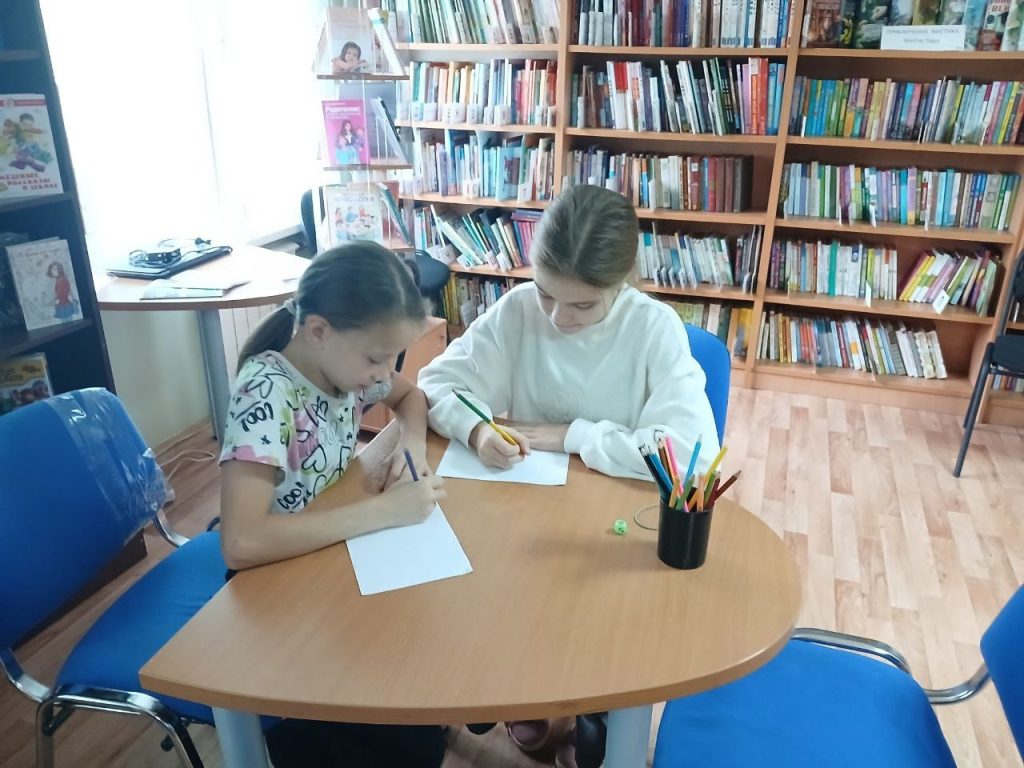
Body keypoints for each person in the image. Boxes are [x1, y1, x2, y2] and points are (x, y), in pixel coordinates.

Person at [417, 184, 720, 768]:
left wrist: (571, 434)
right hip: (529, 523)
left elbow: (692, 458)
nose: (558, 317)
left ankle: (588, 707)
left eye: (582, 305)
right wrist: (478, 428)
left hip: (609, 535)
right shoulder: (519, 310)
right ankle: (530, 692)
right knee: (497, 594)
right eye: (546, 292)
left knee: (596, 640)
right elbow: (435, 383)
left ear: (623, 281)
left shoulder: (652, 328)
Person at [219, 242, 447, 768]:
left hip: (333, 552)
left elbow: (411, 397)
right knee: (406, 745)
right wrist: (383, 512)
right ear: (319, 330)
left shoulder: (343, 369)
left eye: (391, 358)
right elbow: (241, 543)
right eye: (375, 358)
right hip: (276, 584)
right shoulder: (267, 393)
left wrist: (412, 444)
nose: (383, 373)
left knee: (419, 664)